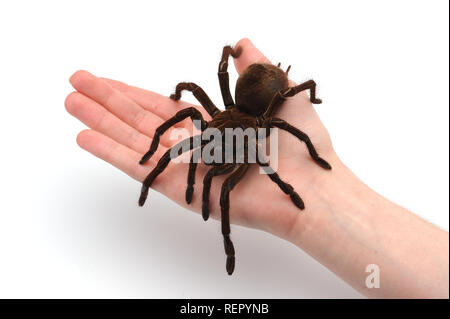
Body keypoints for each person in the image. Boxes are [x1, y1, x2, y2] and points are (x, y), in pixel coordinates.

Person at [65, 38, 449, 298]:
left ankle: (229, 251)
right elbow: (193, 97)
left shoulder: (267, 123)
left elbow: (282, 121)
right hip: (237, 113)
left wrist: (310, 160)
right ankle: (150, 179)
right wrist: (156, 149)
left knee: (227, 189)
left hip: (256, 107)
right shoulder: (208, 127)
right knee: (184, 121)